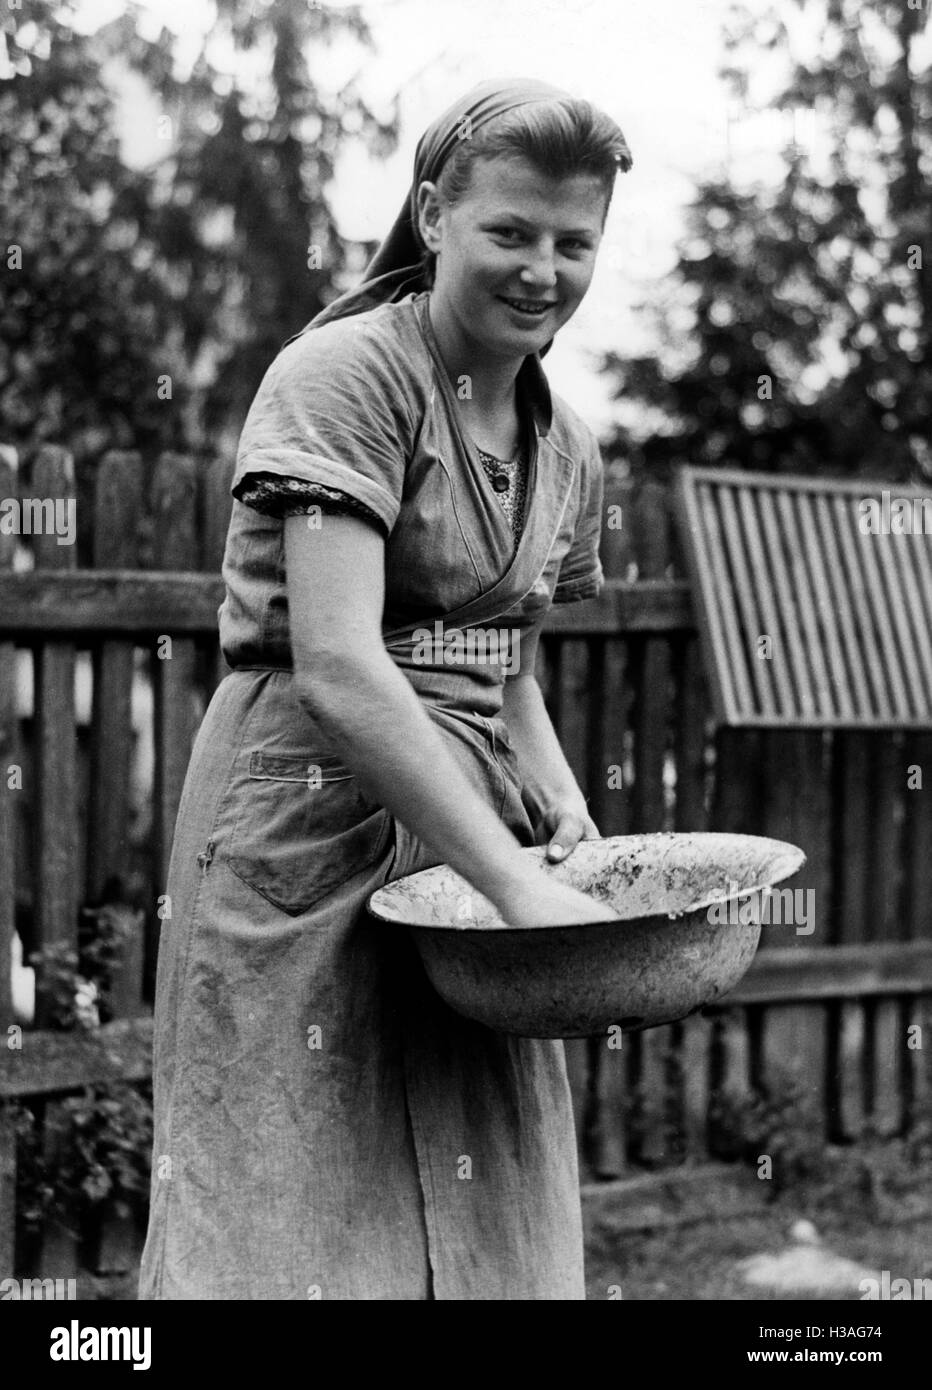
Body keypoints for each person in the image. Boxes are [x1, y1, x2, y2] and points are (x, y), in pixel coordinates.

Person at [139, 76, 633, 1301]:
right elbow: (343, 666)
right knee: (284, 1201)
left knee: (483, 1215)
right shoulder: (348, 376)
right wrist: (512, 883)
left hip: (463, 828)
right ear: (431, 214)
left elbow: (504, 660)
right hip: (307, 804)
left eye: (573, 243)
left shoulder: (565, 444)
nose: (542, 269)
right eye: (509, 231)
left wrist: (558, 813)